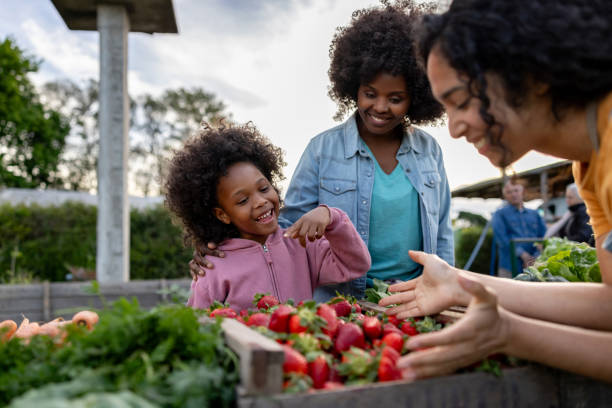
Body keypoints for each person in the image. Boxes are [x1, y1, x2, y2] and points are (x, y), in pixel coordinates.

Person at [379, 0, 612, 383]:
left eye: (461, 101)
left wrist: (510, 334)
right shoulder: (587, 166)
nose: (453, 128)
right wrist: (460, 284)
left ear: (531, 72)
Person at [190, 1, 454, 302]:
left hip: (416, 296)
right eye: (370, 94)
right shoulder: (322, 150)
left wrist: (448, 286)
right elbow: (284, 229)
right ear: (353, 87)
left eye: (395, 98)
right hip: (343, 300)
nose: (380, 107)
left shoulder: (429, 151)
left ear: (416, 98)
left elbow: (442, 230)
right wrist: (219, 245)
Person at [164, 123, 370, 311]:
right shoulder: (213, 268)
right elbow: (199, 327)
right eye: (243, 200)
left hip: (302, 349)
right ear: (223, 214)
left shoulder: (301, 243)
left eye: (263, 188)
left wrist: (331, 216)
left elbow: (355, 265)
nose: (260, 201)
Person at [491, 179, 547, 277]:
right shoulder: (499, 214)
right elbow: (502, 239)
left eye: (516, 190)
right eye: (509, 192)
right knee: (508, 292)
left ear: (522, 192)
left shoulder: (535, 214)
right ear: (505, 196)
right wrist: (523, 255)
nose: (513, 194)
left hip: (535, 266)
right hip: (509, 267)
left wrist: (535, 256)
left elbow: (544, 236)